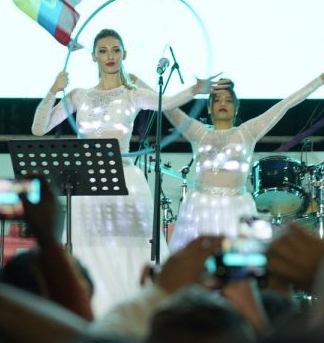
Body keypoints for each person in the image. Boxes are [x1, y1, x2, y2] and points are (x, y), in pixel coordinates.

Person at [30, 28, 223, 315]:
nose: (110, 56)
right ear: (94, 56)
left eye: (116, 50)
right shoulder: (79, 96)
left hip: (125, 180)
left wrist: (195, 90)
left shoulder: (132, 95)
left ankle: (138, 311)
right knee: (88, 247)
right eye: (104, 50)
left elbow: (166, 102)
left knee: (131, 248)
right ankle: (90, 309)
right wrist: (53, 90)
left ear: (124, 54)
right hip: (88, 183)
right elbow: (38, 129)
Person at [164, 72, 324, 251]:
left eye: (229, 101)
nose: (223, 104)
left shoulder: (247, 132)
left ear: (236, 108)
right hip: (200, 209)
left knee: (238, 264)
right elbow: (168, 107)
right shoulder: (197, 132)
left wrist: (319, 81)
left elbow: (285, 105)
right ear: (209, 107)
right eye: (217, 100)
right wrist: (136, 81)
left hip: (236, 209)